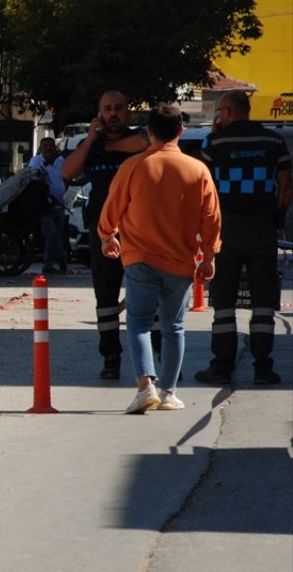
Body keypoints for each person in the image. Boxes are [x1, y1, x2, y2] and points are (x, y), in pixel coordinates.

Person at [97, 103, 221, 414]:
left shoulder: (133, 166)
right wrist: (209, 255)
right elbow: (211, 218)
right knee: (173, 327)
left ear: (148, 132)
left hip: (139, 257)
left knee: (138, 324)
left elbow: (113, 206)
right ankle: (168, 392)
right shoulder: (198, 170)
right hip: (180, 261)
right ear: (181, 131)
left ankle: (144, 386)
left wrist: (107, 235)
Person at [194, 90, 293, 385]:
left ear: (227, 112)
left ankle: (221, 366)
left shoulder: (214, 142)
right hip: (262, 227)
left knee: (223, 300)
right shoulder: (273, 141)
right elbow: (286, 185)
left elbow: (204, 188)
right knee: (263, 300)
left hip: (226, 229)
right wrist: (274, 217)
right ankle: (263, 367)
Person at [61, 91, 153, 379]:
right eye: (107, 109)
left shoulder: (140, 138)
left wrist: (112, 146)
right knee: (106, 298)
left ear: (128, 112)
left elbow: (147, 142)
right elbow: (67, 172)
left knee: (150, 295)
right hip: (104, 233)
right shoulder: (91, 146)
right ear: (99, 114)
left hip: (140, 232)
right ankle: (111, 357)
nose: (113, 114)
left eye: (119, 108)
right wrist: (90, 139)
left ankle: (157, 357)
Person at [28, 137, 68, 274]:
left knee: (57, 236)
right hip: (44, 205)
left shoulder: (60, 160)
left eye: (51, 146)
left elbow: (65, 178)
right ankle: (58, 260)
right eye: (46, 146)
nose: (49, 148)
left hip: (60, 204)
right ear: (41, 147)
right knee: (52, 235)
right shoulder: (36, 161)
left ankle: (50, 262)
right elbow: (33, 177)